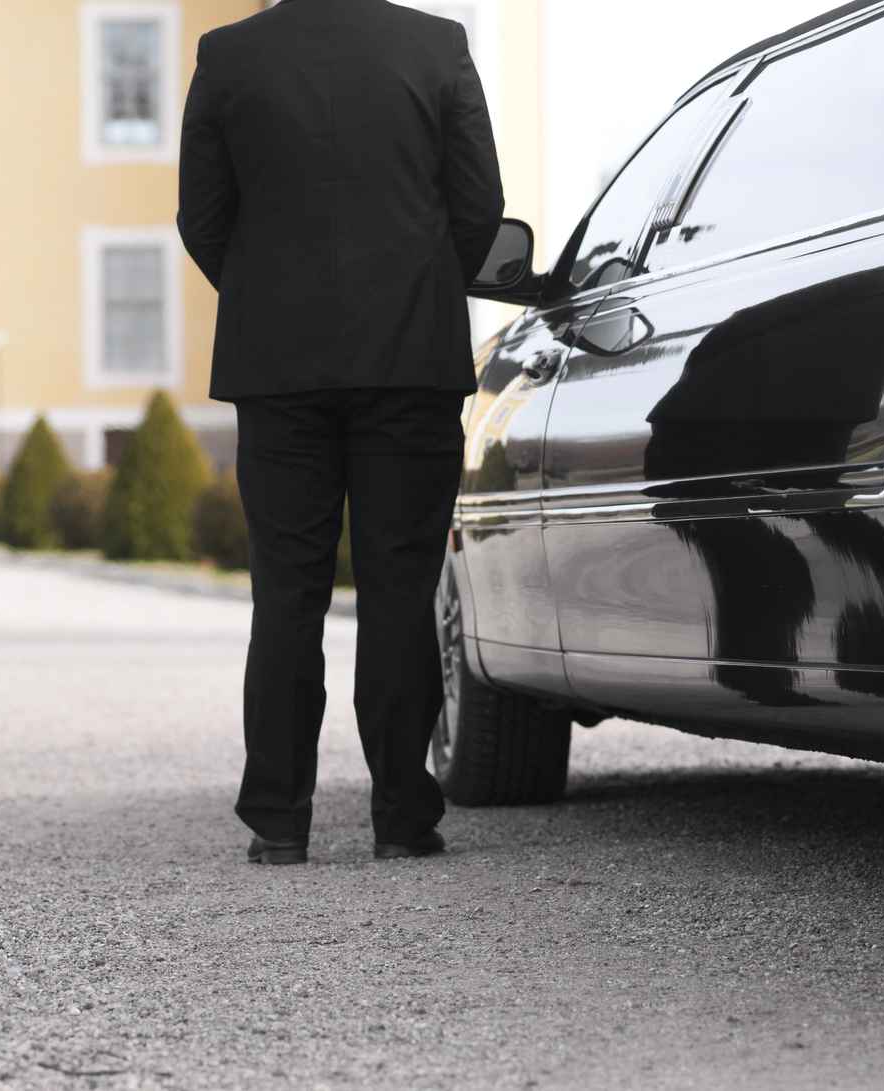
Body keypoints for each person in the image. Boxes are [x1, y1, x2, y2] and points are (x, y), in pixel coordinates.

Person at [178, 0, 504, 865]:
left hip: (278, 366)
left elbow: (201, 218)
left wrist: (264, 295)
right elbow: (480, 209)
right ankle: (402, 816)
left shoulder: (228, 54)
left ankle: (279, 820)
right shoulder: (436, 45)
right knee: (400, 587)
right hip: (409, 355)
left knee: (287, 591)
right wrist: (422, 284)